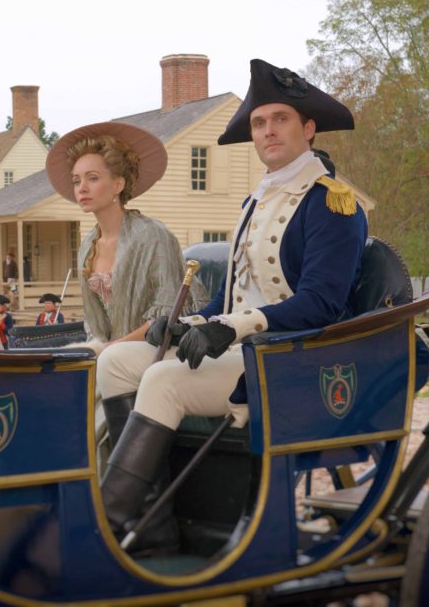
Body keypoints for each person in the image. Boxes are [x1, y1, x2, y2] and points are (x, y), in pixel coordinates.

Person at [94, 59, 368, 554]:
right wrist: (188, 323)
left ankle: (105, 525)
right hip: (243, 352)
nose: (267, 131)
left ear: (308, 128)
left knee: (163, 379)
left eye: (279, 119)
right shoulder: (255, 202)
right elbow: (235, 297)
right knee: (116, 362)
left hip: (288, 361)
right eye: (259, 123)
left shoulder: (332, 202)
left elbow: (322, 304)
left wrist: (235, 328)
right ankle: (153, 530)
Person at [44, 120, 206, 351]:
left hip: (162, 346)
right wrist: (99, 349)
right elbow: (94, 321)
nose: (82, 188)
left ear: (118, 184)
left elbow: (168, 314)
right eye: (76, 180)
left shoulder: (153, 235)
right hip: (111, 350)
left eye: (92, 178)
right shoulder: (88, 245)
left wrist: (110, 349)